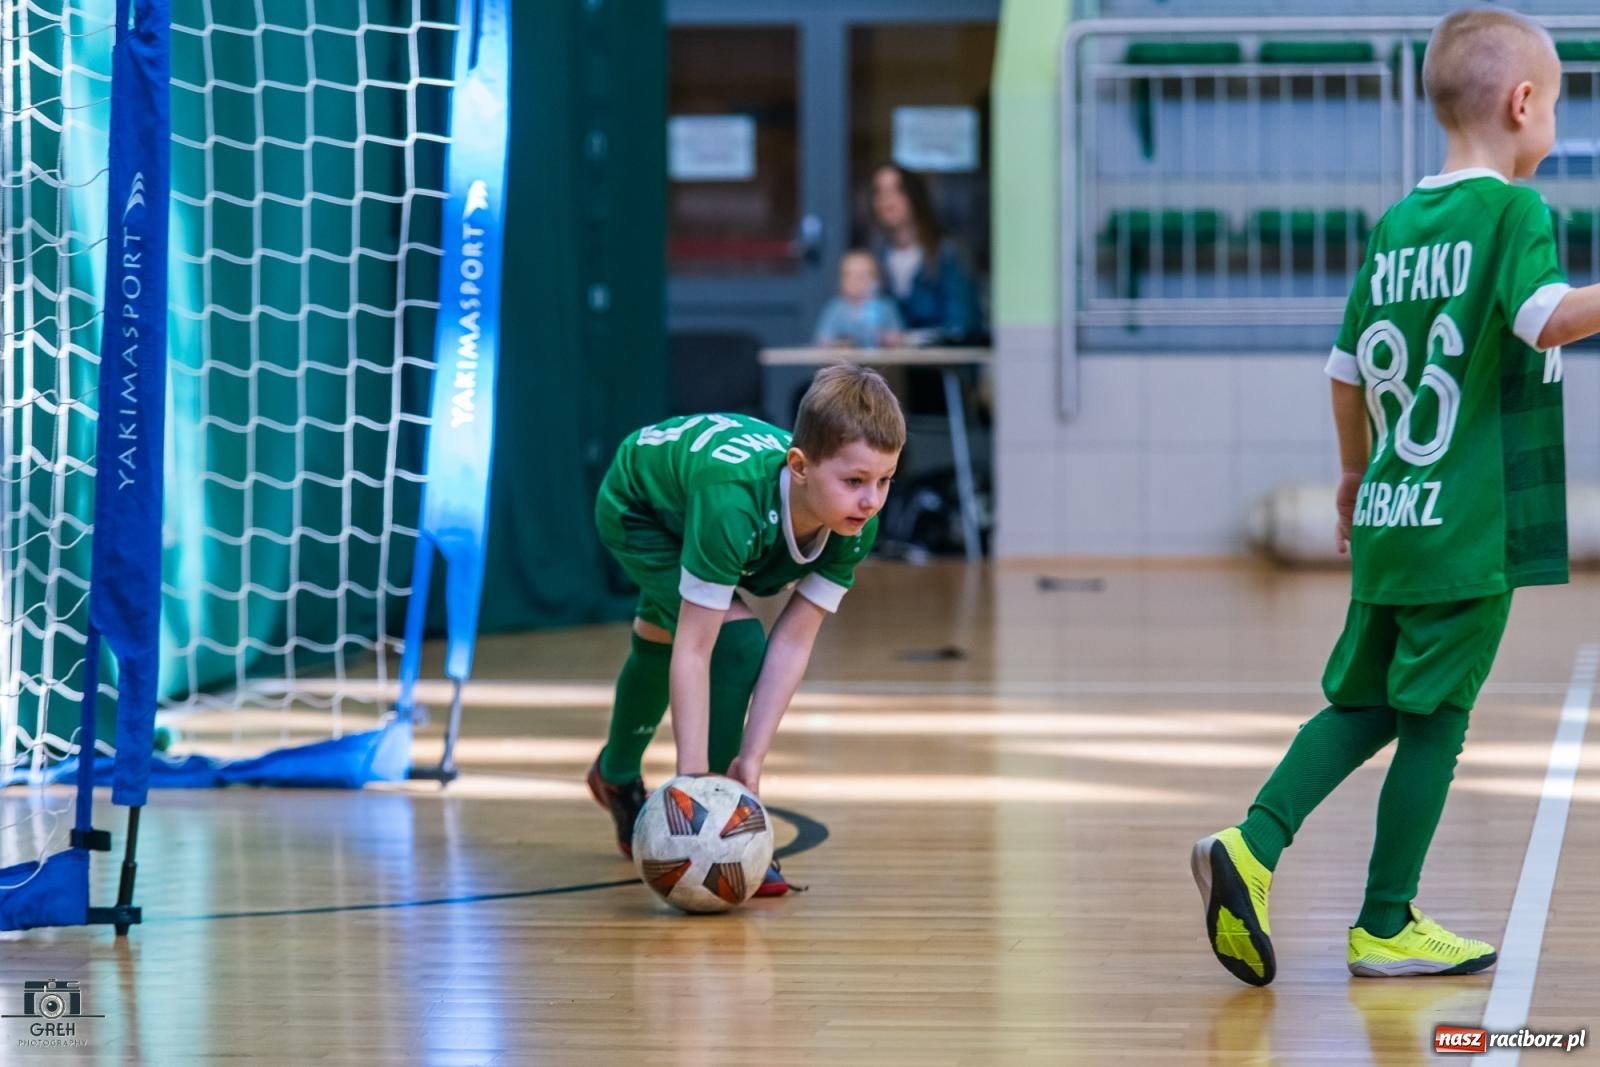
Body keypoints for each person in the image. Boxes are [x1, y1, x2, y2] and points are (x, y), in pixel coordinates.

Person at [1193, 6, 1598, 985]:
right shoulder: (1512, 213)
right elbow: (1544, 317)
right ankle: (1383, 920)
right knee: (1434, 717)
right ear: (1523, 101)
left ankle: (1251, 841)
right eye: (1559, 104)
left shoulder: (1396, 224)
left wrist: (1351, 471)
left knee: (1364, 697)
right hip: (1465, 524)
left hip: (1389, 510)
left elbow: (1341, 370)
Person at [586, 364, 905, 896]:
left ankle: (615, 773)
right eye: (854, 481)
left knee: (659, 633)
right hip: (642, 508)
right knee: (732, 642)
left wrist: (752, 759)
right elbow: (697, 649)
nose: (871, 501)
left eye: (884, 481)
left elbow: (796, 639)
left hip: (695, 498)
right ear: (799, 467)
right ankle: (715, 826)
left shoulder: (855, 524)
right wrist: (692, 788)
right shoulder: (734, 504)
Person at [867, 162, 980, 345]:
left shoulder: (947, 253)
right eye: (879, 192)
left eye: (897, 190)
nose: (886, 199)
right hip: (891, 369)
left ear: (914, 196)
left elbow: (961, 325)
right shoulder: (877, 256)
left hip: (940, 366)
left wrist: (910, 340)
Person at [813, 249, 905, 349]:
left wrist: (890, 339)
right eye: (851, 275)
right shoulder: (835, 309)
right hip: (845, 363)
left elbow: (899, 340)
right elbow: (822, 342)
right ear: (841, 281)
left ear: (877, 279)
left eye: (864, 275)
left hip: (880, 363)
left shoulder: (886, 307)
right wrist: (836, 344)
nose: (857, 281)